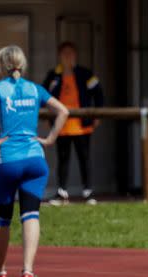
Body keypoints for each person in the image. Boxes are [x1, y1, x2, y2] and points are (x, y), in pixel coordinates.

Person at [0, 45, 68, 277]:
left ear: (2, 65)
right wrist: (49, 139)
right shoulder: (35, 89)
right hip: (35, 160)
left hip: (7, 160)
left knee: (2, 219)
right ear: (23, 64)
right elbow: (63, 110)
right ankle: (28, 271)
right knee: (31, 215)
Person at [43, 41, 103, 205]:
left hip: (82, 125)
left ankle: (88, 193)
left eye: (70, 53)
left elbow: (98, 93)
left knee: (84, 158)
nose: (68, 56)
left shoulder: (85, 73)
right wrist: (48, 119)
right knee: (63, 159)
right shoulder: (53, 75)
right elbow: (43, 97)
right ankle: (62, 193)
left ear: (75, 55)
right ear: (59, 56)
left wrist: (97, 115)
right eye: (64, 53)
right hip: (61, 125)